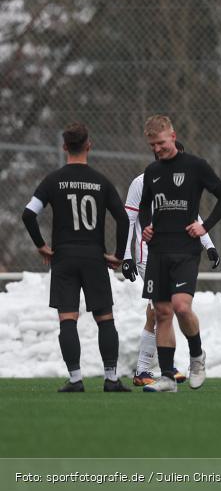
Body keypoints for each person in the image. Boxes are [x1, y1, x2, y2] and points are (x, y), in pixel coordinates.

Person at [21, 122, 131, 392]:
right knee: (105, 318)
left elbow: (28, 214)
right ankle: (111, 378)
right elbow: (123, 219)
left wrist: (41, 245)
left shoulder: (53, 180)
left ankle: (75, 379)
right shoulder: (101, 181)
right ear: (89, 145)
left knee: (67, 318)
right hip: (94, 257)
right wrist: (116, 255)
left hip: (64, 257)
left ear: (64, 147)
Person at [138, 115, 221, 393]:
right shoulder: (152, 171)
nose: (157, 149)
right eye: (152, 145)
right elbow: (144, 207)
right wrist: (146, 227)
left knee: (181, 307)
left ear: (173, 136)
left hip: (186, 250)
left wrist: (205, 227)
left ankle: (197, 356)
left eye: (161, 142)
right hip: (158, 251)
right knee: (162, 312)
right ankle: (167, 377)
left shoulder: (195, 166)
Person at [121, 141, 221, 387]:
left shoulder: (184, 176)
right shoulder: (141, 181)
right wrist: (126, 256)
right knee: (160, 309)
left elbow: (192, 216)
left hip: (178, 250)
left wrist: (208, 244)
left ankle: (154, 369)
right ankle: (148, 369)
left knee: (166, 308)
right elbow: (130, 218)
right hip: (149, 253)